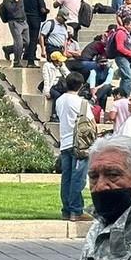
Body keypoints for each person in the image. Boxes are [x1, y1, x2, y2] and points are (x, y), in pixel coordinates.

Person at [55, 73, 91, 221]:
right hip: (79, 144)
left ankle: (66, 209)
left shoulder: (59, 100)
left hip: (65, 141)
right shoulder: (82, 103)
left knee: (67, 178)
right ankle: (76, 210)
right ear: (81, 85)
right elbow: (89, 122)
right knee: (78, 178)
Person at [0, 0, 29, 66]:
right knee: (18, 42)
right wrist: (15, 1)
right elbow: (11, 10)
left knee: (27, 42)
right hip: (14, 22)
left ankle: (9, 49)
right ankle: (17, 61)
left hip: (23, 21)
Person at [22, 0, 48, 66]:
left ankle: (27, 55)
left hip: (26, 19)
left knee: (27, 39)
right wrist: (46, 11)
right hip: (35, 19)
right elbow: (42, 9)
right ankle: (30, 61)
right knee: (33, 40)